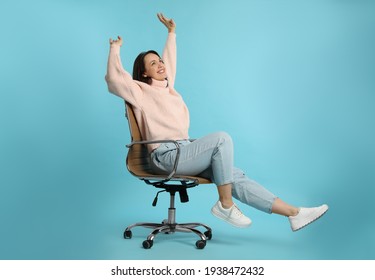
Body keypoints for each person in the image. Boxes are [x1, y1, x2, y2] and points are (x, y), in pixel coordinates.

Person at [105, 13, 328, 231]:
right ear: (144, 73)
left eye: (160, 60)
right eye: (154, 64)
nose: (161, 64)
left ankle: (295, 214)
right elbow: (114, 80)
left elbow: (170, 62)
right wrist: (115, 49)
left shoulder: (168, 88)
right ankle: (225, 204)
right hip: (166, 156)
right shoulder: (140, 91)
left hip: (183, 152)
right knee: (222, 139)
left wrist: (171, 34)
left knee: (233, 174)